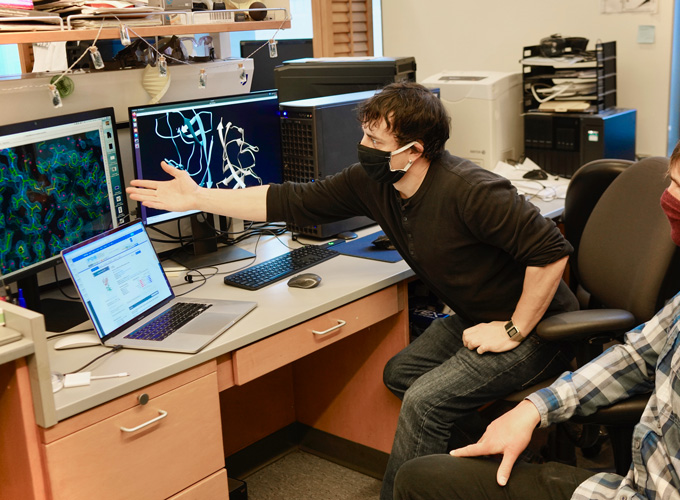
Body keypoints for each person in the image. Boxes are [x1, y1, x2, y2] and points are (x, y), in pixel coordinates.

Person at [127, 82, 578, 500]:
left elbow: (552, 252)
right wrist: (199, 196)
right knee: (400, 374)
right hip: (477, 315)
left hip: (540, 327)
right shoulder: (374, 183)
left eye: (376, 143)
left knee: (425, 402)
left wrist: (514, 329)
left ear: (413, 151)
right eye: (364, 136)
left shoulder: (472, 190)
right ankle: (481, 470)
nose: (363, 149)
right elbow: (290, 200)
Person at [392, 114, 680, 500]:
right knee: (423, 476)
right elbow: (638, 355)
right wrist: (534, 409)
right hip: (634, 484)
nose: (666, 200)